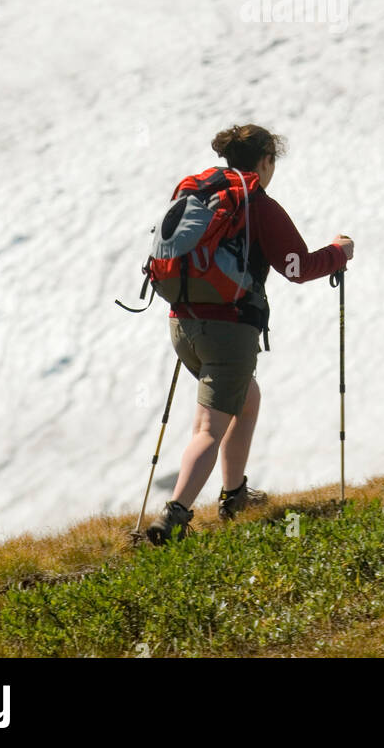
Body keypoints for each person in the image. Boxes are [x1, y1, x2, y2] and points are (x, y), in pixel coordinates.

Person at [147, 123, 354, 545]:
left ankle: (235, 495)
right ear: (265, 161)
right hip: (229, 328)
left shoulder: (200, 194)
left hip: (182, 323)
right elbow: (296, 267)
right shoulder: (256, 204)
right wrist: (339, 253)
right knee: (209, 426)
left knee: (246, 397)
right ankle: (173, 517)